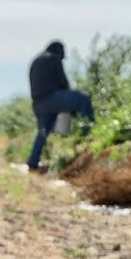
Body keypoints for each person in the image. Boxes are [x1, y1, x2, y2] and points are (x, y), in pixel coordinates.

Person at [26, 41, 94, 172]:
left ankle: (32, 162)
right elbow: (63, 82)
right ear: (60, 52)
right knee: (83, 99)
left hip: (38, 105)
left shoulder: (36, 60)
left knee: (42, 133)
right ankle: (89, 138)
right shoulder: (53, 58)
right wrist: (72, 105)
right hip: (51, 99)